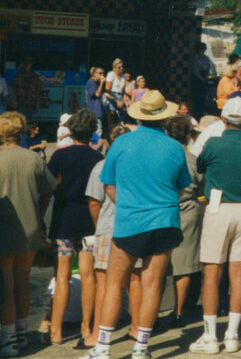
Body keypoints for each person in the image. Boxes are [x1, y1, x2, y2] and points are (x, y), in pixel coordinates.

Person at [84, 90, 191, 359]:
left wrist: (129, 204)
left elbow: (108, 186)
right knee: (152, 284)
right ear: (164, 118)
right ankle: (142, 347)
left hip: (130, 221)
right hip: (165, 221)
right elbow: (180, 189)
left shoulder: (121, 144)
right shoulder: (176, 147)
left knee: (113, 284)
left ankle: (102, 347)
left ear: (139, 116)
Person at [191, 97, 241, 355]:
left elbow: (200, 167)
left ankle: (210, 336)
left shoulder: (213, 143)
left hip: (218, 206)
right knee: (240, 274)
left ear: (223, 119)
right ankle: (233, 335)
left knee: (212, 273)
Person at [0, 111, 57, 357]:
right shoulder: (34, 159)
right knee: (23, 281)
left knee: (6, 283)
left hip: (3, 228)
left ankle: (8, 339)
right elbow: (50, 188)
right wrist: (39, 211)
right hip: (31, 226)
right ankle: (23, 332)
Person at [80, 125, 144, 350]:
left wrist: (99, 228)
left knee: (105, 283)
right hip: (134, 227)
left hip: (108, 228)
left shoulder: (101, 165)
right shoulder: (138, 165)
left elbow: (94, 202)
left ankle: (97, 334)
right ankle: (136, 327)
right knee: (135, 280)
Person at [47, 110, 104, 346]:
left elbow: (49, 186)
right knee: (88, 275)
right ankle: (85, 326)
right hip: (89, 222)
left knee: (62, 275)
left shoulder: (60, 156)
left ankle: (56, 331)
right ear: (92, 133)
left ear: (70, 130)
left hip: (63, 219)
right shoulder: (98, 158)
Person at [162, 115, 203, 328]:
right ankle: (178, 312)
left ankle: (151, 311)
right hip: (188, 210)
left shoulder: (160, 156)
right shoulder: (193, 160)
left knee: (158, 265)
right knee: (184, 265)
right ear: (187, 137)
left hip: (162, 210)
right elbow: (202, 187)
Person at [11, 57, 42, 122]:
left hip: (31, 101)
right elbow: (14, 88)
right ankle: (21, 132)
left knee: (28, 120)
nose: (27, 65)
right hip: (21, 101)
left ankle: (26, 131)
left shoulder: (35, 76)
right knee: (20, 120)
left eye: (29, 64)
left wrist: (38, 103)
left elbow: (38, 91)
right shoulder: (19, 75)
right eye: (26, 64)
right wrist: (15, 100)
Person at [190, 42, 216, 118]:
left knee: (204, 95)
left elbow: (208, 68)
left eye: (204, 49)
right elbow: (195, 69)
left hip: (205, 77)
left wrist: (206, 77)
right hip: (198, 78)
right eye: (201, 49)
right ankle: (196, 112)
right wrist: (201, 78)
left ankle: (202, 110)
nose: (203, 50)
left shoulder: (207, 58)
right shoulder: (196, 58)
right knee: (197, 95)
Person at [85, 66, 108, 139]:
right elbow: (97, 94)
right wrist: (102, 83)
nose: (102, 75)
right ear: (94, 74)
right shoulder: (91, 82)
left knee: (96, 130)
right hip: (94, 110)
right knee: (97, 130)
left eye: (103, 73)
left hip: (97, 110)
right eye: (100, 73)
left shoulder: (96, 83)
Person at [103, 59, 128, 125]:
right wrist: (116, 101)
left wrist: (124, 100)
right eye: (119, 67)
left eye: (122, 67)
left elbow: (123, 91)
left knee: (121, 118)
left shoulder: (123, 76)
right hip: (111, 96)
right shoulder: (111, 74)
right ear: (114, 67)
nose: (121, 68)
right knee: (112, 117)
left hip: (120, 97)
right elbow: (107, 90)